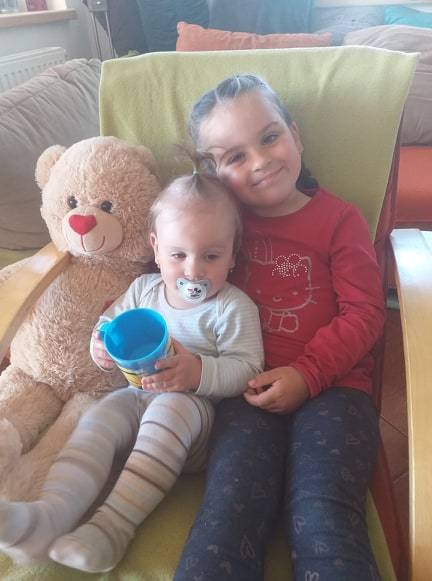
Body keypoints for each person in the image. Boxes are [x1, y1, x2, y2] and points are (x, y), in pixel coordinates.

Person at [0, 162, 264, 573]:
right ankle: (49, 516)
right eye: (178, 255)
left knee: (170, 406)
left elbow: (248, 367)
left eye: (211, 256)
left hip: (193, 422)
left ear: (233, 255)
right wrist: (101, 346)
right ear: (156, 249)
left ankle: (111, 529)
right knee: (97, 417)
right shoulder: (143, 289)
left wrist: (197, 373)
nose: (194, 270)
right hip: (135, 398)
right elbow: (108, 325)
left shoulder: (232, 307)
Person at [174, 74, 385, 581]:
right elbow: (169, 280)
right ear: (213, 172)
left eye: (269, 137)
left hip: (335, 390)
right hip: (243, 392)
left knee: (322, 512)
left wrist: (307, 374)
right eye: (235, 156)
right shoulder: (217, 231)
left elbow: (365, 312)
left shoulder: (338, 221)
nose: (260, 161)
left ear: (296, 135)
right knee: (229, 512)